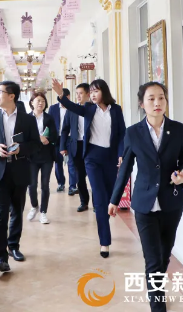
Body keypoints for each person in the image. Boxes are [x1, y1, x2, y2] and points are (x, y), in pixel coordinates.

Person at [108, 82, 183, 312]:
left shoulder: (178, 129)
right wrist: (114, 199)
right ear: (141, 103)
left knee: (164, 255)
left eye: (161, 98)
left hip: (172, 202)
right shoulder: (133, 132)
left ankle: (156, 288)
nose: (157, 103)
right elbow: (125, 168)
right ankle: (157, 304)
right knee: (153, 259)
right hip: (144, 204)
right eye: (151, 98)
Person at [51, 78, 126, 258]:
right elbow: (72, 106)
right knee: (99, 198)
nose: (92, 95)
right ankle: (104, 242)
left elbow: (122, 133)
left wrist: (121, 153)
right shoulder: (88, 109)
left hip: (110, 158)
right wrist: (61, 95)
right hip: (92, 158)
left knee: (109, 197)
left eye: (95, 91)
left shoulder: (116, 110)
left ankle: (104, 224)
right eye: (90, 92)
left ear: (104, 92)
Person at [0, 81, 41, 272]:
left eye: (0, 92)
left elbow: (35, 144)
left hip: (19, 172)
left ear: (12, 96)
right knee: (0, 216)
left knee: (17, 212)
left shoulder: (27, 119)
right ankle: (0, 258)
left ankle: (13, 246)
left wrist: (21, 149)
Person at [26, 91, 58, 224]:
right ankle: (34, 206)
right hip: (31, 157)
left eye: (43, 101)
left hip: (46, 156)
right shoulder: (26, 118)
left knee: (45, 184)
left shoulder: (49, 118)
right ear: (32, 102)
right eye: (38, 100)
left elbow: (55, 135)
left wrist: (48, 139)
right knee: (32, 184)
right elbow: (23, 136)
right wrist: (38, 137)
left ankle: (43, 212)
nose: (41, 103)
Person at [60, 83, 91, 212]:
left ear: (88, 94)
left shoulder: (93, 109)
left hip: (91, 145)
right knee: (80, 177)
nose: (78, 96)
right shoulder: (71, 110)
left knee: (94, 176)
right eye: (76, 93)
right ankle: (84, 202)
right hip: (76, 146)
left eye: (81, 93)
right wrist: (62, 146)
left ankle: (97, 204)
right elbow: (65, 129)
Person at [48, 88, 76, 193]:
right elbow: (49, 124)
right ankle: (61, 183)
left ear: (68, 97)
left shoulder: (74, 108)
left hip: (70, 138)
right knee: (58, 162)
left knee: (71, 163)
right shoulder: (53, 108)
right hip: (57, 138)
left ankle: (73, 186)